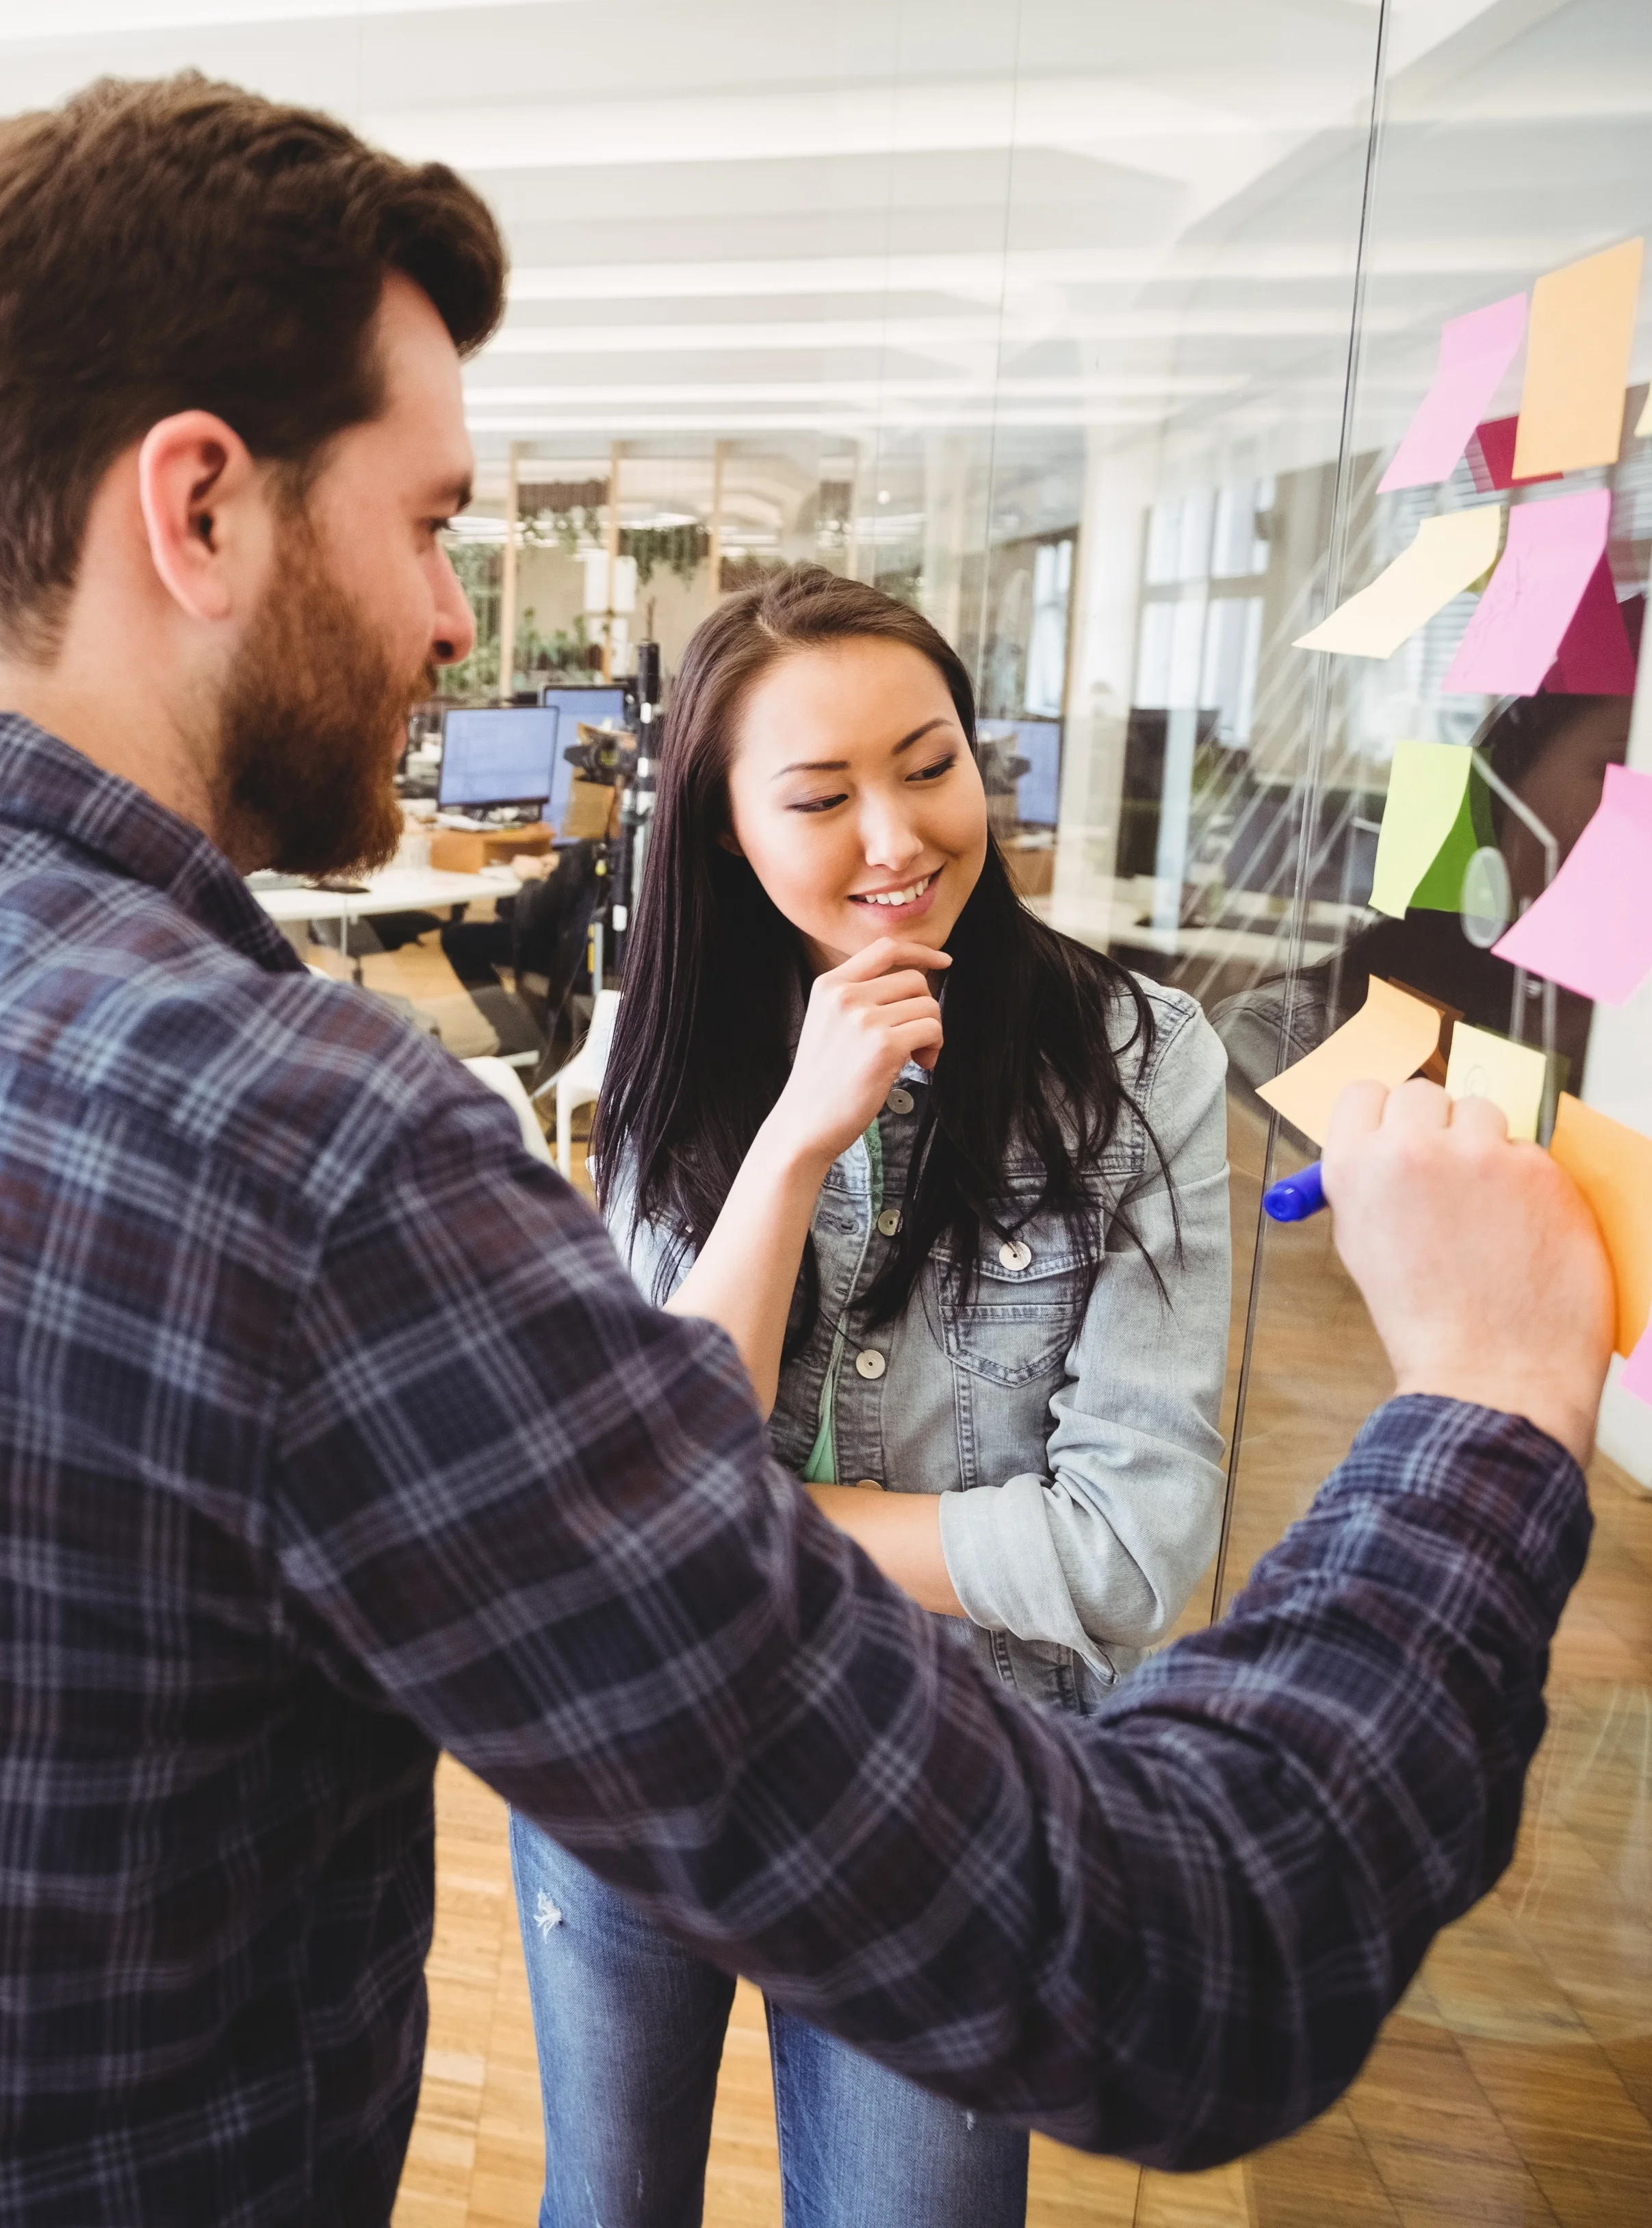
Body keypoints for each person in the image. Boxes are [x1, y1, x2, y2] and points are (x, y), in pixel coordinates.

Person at [0, 73, 1615, 2225]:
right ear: (200, 507)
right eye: (427, 520)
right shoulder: (312, 1161)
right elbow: (1178, 1969)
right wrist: (1492, 1407)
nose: (451, 612)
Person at [522, 567, 1230, 2228]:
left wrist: (744, 1525)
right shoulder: (682, 1043)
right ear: (722, 831)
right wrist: (792, 1141)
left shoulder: (1136, 1064)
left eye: (929, 766)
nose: (897, 837)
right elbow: (664, 1464)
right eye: (820, 796)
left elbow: (1126, 1551)